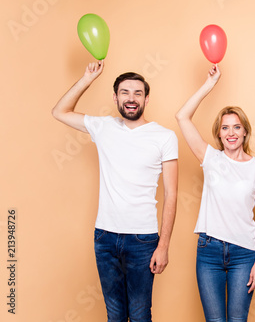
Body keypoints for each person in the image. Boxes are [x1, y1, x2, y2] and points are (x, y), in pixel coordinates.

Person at [52, 61, 178, 322]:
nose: (131, 99)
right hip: (105, 237)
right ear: (115, 97)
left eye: (137, 93)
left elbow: (172, 194)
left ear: (146, 98)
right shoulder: (103, 127)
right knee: (115, 315)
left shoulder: (164, 137)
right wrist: (87, 78)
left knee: (141, 315)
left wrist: (163, 245)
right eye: (124, 92)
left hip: (143, 240)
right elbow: (60, 111)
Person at [175, 64, 255, 321]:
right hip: (209, 250)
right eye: (225, 127)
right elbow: (182, 116)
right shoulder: (211, 158)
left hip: (244, 254)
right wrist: (209, 84)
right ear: (219, 132)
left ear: (245, 131)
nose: (231, 133)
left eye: (236, 127)